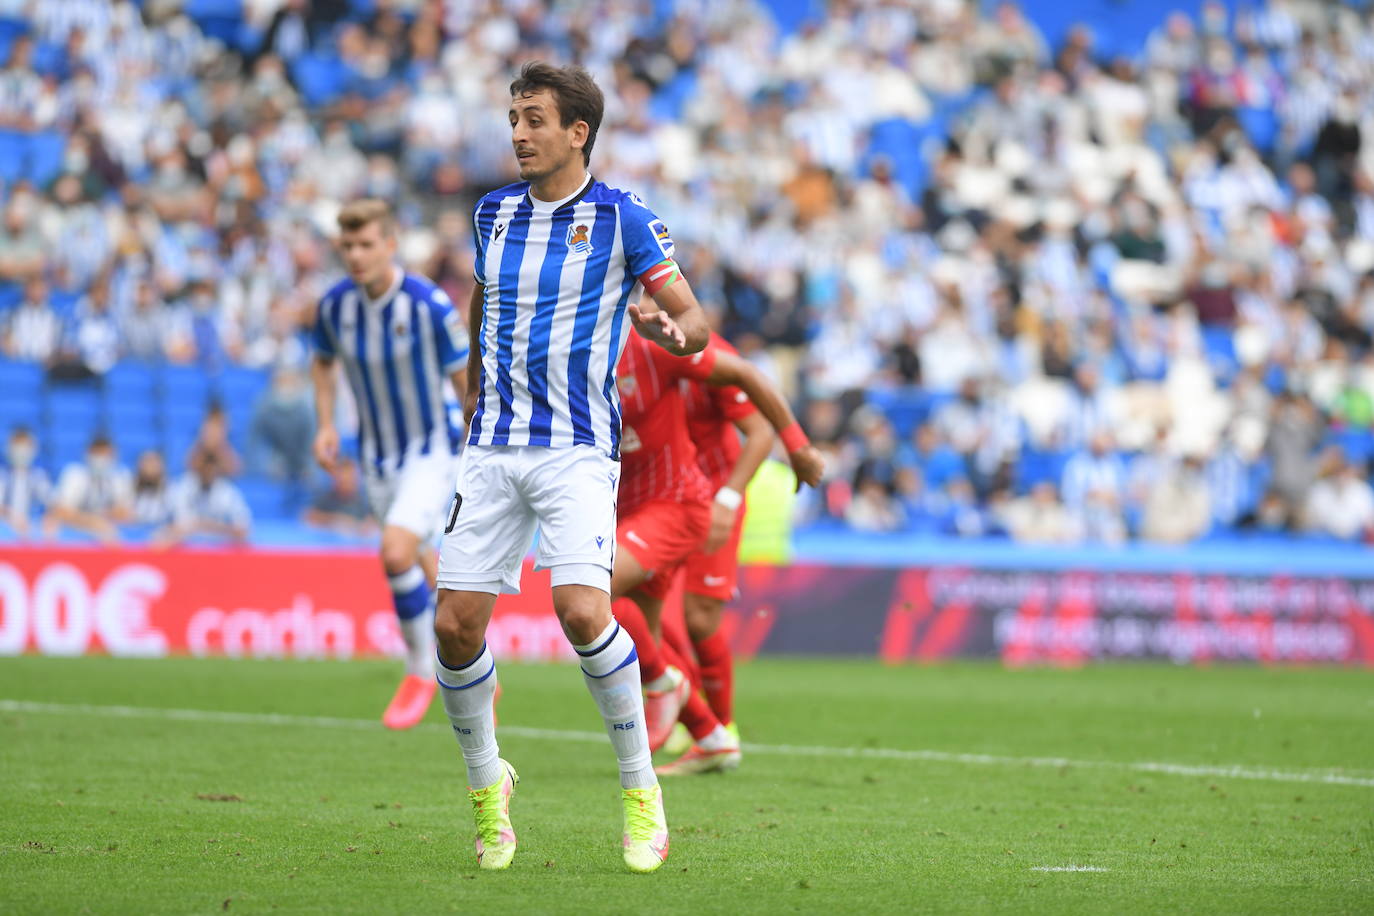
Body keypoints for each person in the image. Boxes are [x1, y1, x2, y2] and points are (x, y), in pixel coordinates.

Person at [431, 62, 711, 875]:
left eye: (534, 119)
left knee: (585, 611)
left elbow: (693, 318)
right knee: (453, 627)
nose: (517, 133)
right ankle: (489, 785)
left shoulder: (623, 219)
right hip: (491, 445)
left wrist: (671, 333)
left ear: (576, 132)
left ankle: (639, 788)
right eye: (513, 118)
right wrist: (475, 390)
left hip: (577, 447)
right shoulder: (492, 214)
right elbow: (485, 305)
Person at [605, 332, 824, 777]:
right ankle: (702, 725)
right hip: (642, 499)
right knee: (649, 619)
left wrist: (729, 499)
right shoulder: (606, 347)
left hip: (705, 496)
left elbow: (759, 433)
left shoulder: (686, 351)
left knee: (697, 616)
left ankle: (719, 724)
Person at [311, 197, 468, 730]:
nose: (356, 255)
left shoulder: (427, 305)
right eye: (348, 245)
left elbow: (462, 377)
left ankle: (423, 670)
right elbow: (322, 361)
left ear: (390, 245)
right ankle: (475, 670)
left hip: (432, 448)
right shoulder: (335, 307)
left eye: (366, 244)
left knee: (395, 551)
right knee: (431, 568)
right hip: (376, 458)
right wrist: (327, 423)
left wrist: (479, 447)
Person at [42, 434, 133, 543]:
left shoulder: (120, 477)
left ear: (113, 456)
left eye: (105, 454)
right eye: (97, 453)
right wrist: (92, 522)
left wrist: (98, 519)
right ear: (88, 454)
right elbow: (61, 510)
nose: (101, 458)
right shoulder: (74, 474)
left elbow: (126, 513)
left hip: (107, 535)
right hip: (73, 534)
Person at [156, 451, 251, 546]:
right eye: (204, 465)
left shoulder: (227, 490)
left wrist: (199, 525)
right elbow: (181, 524)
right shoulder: (184, 486)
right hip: (187, 547)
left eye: (211, 465)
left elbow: (242, 527)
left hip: (220, 547)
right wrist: (221, 528)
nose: (207, 470)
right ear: (196, 466)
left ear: (216, 468)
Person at [0, 426, 51, 538]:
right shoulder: (2, 475)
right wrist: (11, 517)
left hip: (31, 531)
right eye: (17, 446)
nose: (21, 451)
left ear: (33, 449)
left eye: (25, 446)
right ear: (8, 448)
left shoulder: (38, 476)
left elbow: (52, 503)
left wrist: (51, 518)